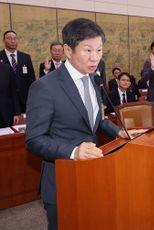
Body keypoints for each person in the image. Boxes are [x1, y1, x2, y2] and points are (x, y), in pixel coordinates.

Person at [25, 18, 134, 230]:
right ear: (68, 49)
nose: (95, 58)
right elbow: (34, 140)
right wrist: (74, 152)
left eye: (99, 50)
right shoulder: (44, 87)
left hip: (93, 172)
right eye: (88, 50)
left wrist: (119, 132)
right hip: (62, 179)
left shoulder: (92, 79)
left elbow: (95, 120)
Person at [0, 30, 36, 113]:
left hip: (24, 99)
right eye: (9, 38)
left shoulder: (25, 57)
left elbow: (31, 79)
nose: (12, 41)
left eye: (15, 38)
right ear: (3, 40)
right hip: (6, 100)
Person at [0, 62, 21, 128]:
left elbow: (14, 92)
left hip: (6, 114)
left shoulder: (7, 68)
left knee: (8, 137)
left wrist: (16, 113)